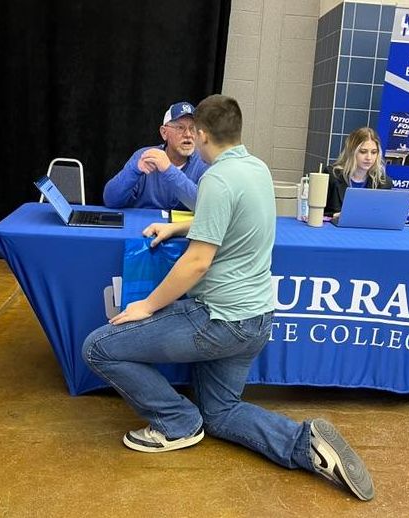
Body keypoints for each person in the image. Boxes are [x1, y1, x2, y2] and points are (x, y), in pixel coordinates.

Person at [83, 95, 374, 502]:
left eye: (194, 131)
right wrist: (179, 228)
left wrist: (146, 306)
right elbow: (232, 221)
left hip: (218, 321)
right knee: (220, 412)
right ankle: (305, 444)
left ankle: (176, 423)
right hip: (257, 320)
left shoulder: (217, 179)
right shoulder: (256, 168)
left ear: (203, 134)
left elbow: (197, 263)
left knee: (98, 347)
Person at [103, 101, 209, 211]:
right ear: (164, 133)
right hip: (144, 222)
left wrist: (168, 169)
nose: (188, 134)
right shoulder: (144, 156)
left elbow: (205, 206)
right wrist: (133, 170)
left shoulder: (204, 161)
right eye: (180, 128)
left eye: (193, 128)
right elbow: (111, 201)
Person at [324, 127, 393, 217]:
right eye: (363, 152)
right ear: (351, 152)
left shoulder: (384, 183)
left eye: (373, 152)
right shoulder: (332, 176)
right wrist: (334, 216)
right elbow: (315, 213)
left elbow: (384, 216)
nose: (369, 157)